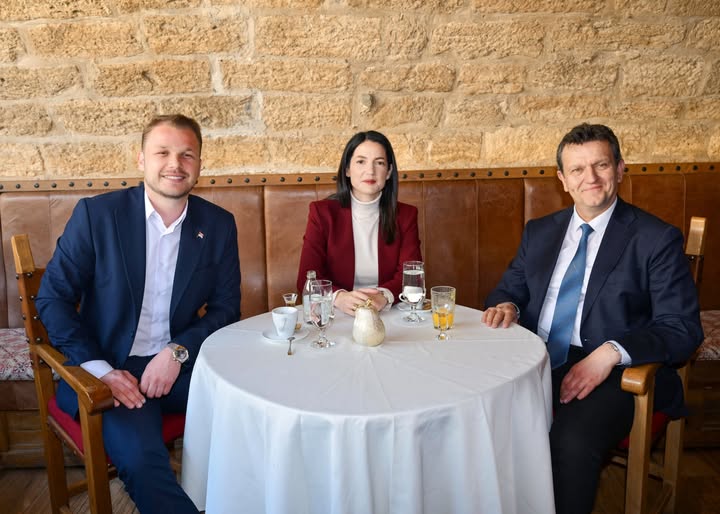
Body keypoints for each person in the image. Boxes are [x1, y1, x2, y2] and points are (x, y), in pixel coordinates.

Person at [482, 123, 703, 514]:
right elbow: (508, 290)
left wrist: (610, 353)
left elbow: (682, 328)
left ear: (619, 168)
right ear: (562, 179)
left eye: (601, 165)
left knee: (571, 441)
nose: (591, 178)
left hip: (619, 370)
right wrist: (508, 306)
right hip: (536, 356)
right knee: (478, 417)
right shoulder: (540, 231)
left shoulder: (655, 238)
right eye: (578, 169)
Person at [36, 114, 241, 514]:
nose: (175, 164)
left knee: (256, 412)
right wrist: (101, 371)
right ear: (141, 160)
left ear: (200, 164)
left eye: (187, 155)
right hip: (108, 368)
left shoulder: (218, 225)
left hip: (180, 366)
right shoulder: (97, 215)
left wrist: (177, 351)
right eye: (162, 152)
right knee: (144, 462)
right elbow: (52, 299)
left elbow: (226, 307)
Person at [296, 130, 422, 316]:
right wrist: (338, 297)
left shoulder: (406, 215)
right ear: (347, 169)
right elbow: (307, 278)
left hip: (388, 311)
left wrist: (384, 296)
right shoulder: (322, 213)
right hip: (336, 311)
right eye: (361, 161)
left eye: (379, 163)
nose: (370, 171)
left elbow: (411, 276)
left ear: (388, 172)